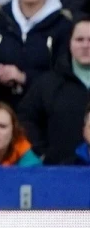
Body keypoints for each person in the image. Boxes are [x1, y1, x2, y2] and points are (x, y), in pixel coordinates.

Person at [19, 18, 90, 165]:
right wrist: (43, 152)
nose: (85, 45)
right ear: (69, 43)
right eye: (79, 39)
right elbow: (26, 118)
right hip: (58, 173)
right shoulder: (47, 83)